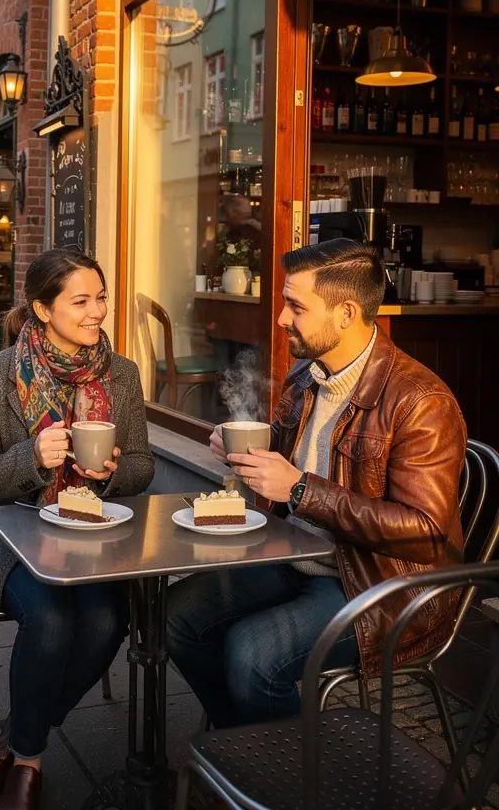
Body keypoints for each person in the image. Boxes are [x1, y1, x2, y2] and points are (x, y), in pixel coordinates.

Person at [166, 238, 466, 729]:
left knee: (252, 654)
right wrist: (247, 452)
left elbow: (426, 531)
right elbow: (292, 462)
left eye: (297, 307)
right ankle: (239, 746)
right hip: (296, 556)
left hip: (377, 584)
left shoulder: (421, 401)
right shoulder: (308, 375)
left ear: (346, 313)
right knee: (178, 617)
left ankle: (290, 768)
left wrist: (300, 489)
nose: (282, 318)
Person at [0, 250, 154, 810]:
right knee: (53, 616)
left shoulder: (122, 374)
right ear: (43, 309)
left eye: (101, 298)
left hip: (95, 534)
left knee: (108, 619)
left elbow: (142, 465)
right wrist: (31, 458)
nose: (97, 312)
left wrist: (110, 475)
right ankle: (29, 760)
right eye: (80, 301)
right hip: (9, 537)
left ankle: (14, 733)